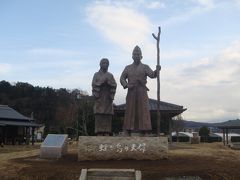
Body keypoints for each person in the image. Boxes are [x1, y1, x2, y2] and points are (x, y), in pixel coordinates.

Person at [120, 45, 160, 136]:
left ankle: (144, 130)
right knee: (130, 110)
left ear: (141, 56)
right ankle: (127, 130)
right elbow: (122, 78)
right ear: (132, 56)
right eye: (135, 54)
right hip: (131, 91)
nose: (136, 55)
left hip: (142, 91)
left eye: (138, 54)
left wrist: (156, 71)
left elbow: (152, 75)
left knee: (143, 110)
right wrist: (126, 85)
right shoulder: (128, 68)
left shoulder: (145, 67)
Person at [92, 58, 117, 136]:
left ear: (108, 65)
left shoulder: (110, 75)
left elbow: (114, 85)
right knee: (99, 114)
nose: (105, 65)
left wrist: (109, 83)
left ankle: (107, 131)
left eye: (106, 63)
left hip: (107, 98)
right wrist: (101, 83)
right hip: (99, 97)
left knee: (107, 115)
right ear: (100, 64)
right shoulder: (96, 74)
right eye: (103, 63)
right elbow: (93, 84)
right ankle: (99, 131)